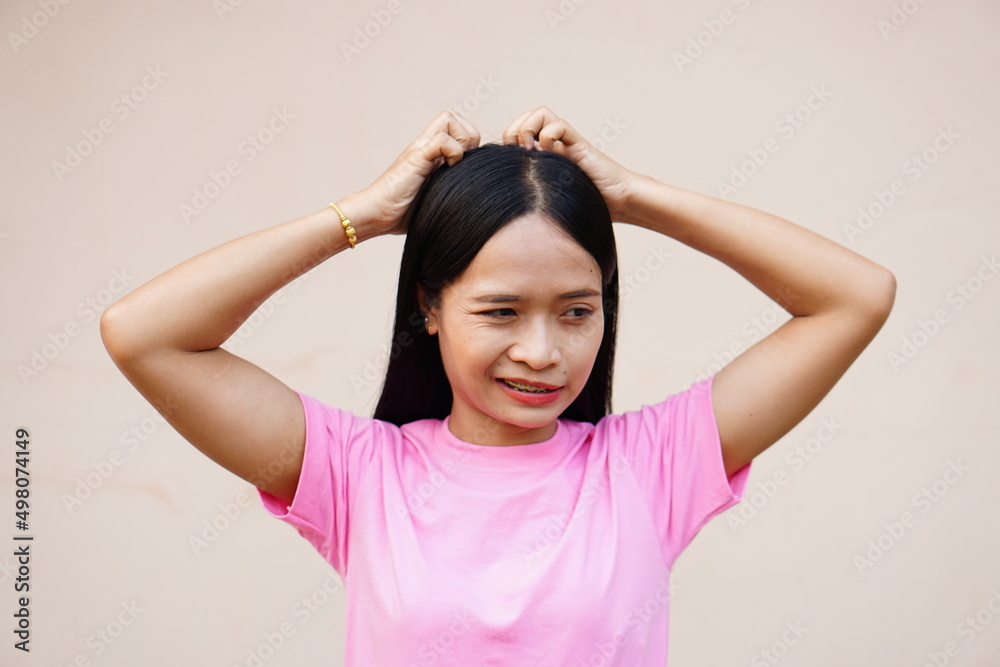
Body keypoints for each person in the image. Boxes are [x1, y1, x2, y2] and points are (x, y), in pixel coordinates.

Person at [100, 106, 896, 665]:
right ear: (431, 305)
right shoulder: (360, 474)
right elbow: (144, 334)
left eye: (577, 311)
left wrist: (633, 198)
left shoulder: (650, 466)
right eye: (501, 311)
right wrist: (366, 216)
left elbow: (854, 296)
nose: (542, 351)